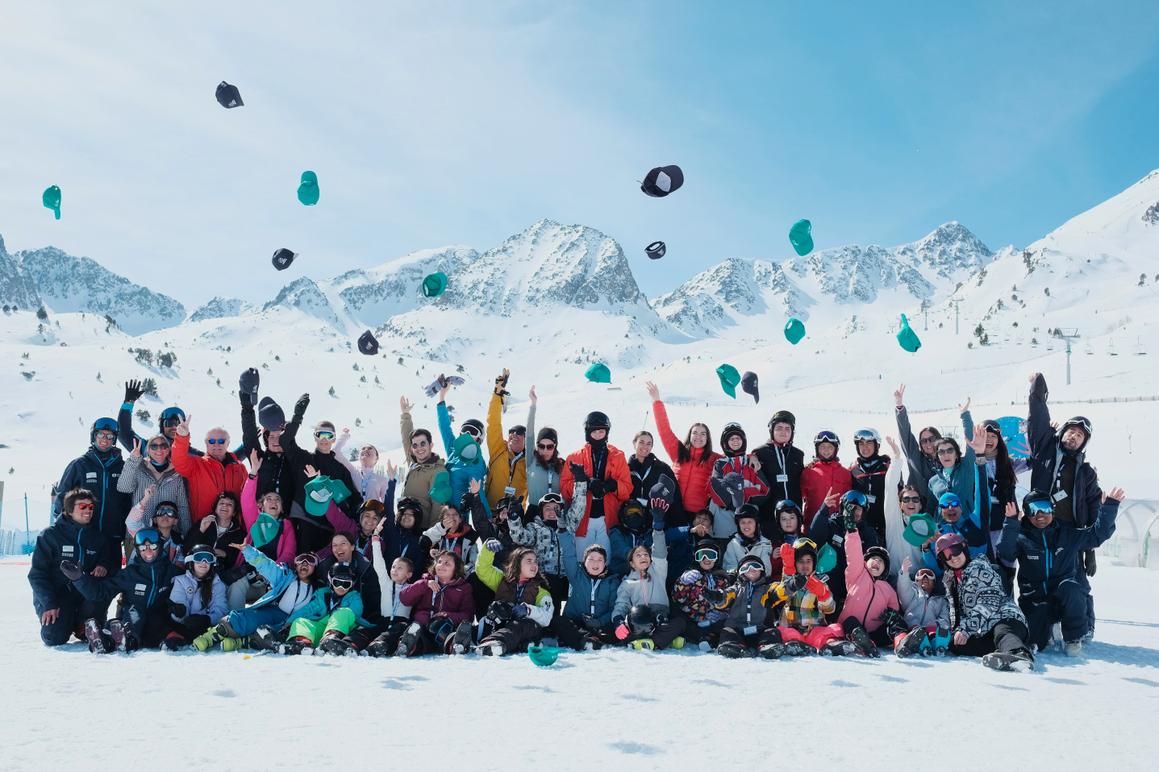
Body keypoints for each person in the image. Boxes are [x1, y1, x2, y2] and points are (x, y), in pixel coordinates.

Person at [998, 488, 1123, 656]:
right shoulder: (1021, 536)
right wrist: (1011, 522)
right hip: (1035, 600)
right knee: (1037, 643)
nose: (1040, 514)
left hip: (1063, 597)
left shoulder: (1066, 533)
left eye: (1045, 507)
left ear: (1053, 509)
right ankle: (1047, 632)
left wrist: (1109, 507)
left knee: (1072, 588)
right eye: (1033, 509)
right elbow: (1006, 553)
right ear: (1026, 513)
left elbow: (1096, 535)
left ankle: (1073, 638)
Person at [1027, 372, 1102, 639]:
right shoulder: (1045, 449)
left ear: (1084, 443)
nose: (1073, 437)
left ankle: (1084, 626)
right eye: (1071, 431)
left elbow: (1094, 507)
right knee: (1040, 577)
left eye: (1080, 435)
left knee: (1076, 579)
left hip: (1069, 529)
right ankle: (1046, 622)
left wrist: (1089, 547)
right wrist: (1037, 390)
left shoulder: (1086, 472)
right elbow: (1037, 419)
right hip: (1039, 523)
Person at [65, 528, 180, 653]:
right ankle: (103, 641)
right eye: (142, 548)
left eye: (152, 546)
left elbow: (191, 586)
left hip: (157, 625)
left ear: (159, 547)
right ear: (137, 550)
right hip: (131, 620)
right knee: (125, 618)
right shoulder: (130, 574)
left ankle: (125, 640)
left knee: (142, 618)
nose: (148, 551)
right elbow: (101, 592)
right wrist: (79, 579)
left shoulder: (172, 572)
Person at [28, 488, 119, 646]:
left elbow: (109, 563)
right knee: (54, 637)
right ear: (69, 510)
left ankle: (84, 624)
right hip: (57, 596)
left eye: (91, 507)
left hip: (85, 595)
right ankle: (66, 622)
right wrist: (49, 604)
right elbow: (37, 574)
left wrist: (103, 565)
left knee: (102, 588)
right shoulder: (50, 536)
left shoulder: (98, 538)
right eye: (82, 506)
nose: (88, 511)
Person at [192, 547, 322, 652]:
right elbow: (267, 565)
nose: (304, 564)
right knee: (251, 617)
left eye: (310, 560)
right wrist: (248, 550)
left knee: (275, 635)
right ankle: (212, 635)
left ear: (316, 566)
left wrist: (291, 621)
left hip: (295, 622)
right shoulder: (285, 577)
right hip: (276, 612)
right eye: (300, 560)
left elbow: (314, 608)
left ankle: (240, 643)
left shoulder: (319, 590)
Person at [937, 532, 1035, 671]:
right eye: (945, 556)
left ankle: (1020, 654)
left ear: (964, 548)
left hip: (1006, 618)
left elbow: (989, 602)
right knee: (956, 644)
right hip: (985, 627)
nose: (952, 558)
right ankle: (1010, 650)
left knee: (1002, 631)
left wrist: (966, 629)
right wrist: (957, 631)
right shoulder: (952, 579)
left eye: (955, 551)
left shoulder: (979, 568)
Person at [279, 394, 362, 553]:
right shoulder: (304, 458)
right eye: (320, 434)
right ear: (315, 437)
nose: (324, 439)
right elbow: (285, 441)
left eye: (328, 435)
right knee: (304, 567)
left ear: (334, 438)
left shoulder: (340, 469)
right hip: (305, 523)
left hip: (331, 529)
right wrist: (297, 417)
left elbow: (353, 499)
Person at [610, 501, 685, 650]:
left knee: (680, 622)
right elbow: (621, 604)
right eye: (638, 555)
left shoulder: (658, 571)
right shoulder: (627, 582)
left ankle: (651, 642)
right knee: (631, 623)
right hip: (639, 620)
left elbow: (659, 551)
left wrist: (658, 526)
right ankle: (664, 640)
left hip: (659, 617)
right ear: (631, 563)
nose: (643, 557)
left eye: (646, 554)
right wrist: (618, 621)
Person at [560, 411, 632, 560]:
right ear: (587, 433)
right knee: (582, 561)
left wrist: (612, 485)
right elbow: (565, 491)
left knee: (605, 562)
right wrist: (583, 482)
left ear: (607, 432)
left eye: (602, 431)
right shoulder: (574, 457)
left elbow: (627, 490)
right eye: (594, 432)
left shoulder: (618, 456)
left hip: (608, 521)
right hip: (582, 520)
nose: (598, 435)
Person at [763, 538, 849, 655]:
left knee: (830, 631)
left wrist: (823, 594)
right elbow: (784, 590)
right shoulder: (790, 581)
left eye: (808, 561)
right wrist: (788, 569)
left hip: (815, 628)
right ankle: (795, 645)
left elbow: (830, 609)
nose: (805, 565)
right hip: (792, 627)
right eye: (800, 561)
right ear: (795, 563)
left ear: (814, 563)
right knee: (783, 633)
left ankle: (830, 645)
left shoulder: (820, 582)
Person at [53, 418, 131, 543]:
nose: (105, 439)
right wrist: (61, 526)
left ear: (114, 439)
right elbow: (63, 497)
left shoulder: (123, 467)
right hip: (83, 535)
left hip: (112, 537)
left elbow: (128, 501)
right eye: (100, 434)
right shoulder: (79, 465)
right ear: (93, 436)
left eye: (110, 435)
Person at [645, 381, 718, 517]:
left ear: (708, 438)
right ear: (689, 435)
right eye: (695, 433)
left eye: (703, 434)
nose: (698, 437)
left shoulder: (714, 458)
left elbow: (735, 459)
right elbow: (664, 430)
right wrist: (657, 401)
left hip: (698, 515)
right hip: (673, 509)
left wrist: (754, 456)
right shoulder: (679, 451)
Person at [473, 541, 553, 655]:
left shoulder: (540, 591)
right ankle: (457, 641)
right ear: (517, 563)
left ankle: (494, 643)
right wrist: (487, 550)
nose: (534, 565)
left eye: (535, 561)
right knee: (493, 615)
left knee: (521, 624)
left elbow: (547, 617)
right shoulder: (502, 581)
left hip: (528, 628)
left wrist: (528, 611)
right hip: (504, 626)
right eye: (529, 561)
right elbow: (483, 570)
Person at [808, 489, 880, 611]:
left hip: (855, 583)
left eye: (858, 509)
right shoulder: (833, 524)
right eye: (850, 507)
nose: (854, 511)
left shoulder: (868, 533)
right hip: (831, 580)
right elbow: (814, 537)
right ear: (843, 508)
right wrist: (823, 511)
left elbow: (872, 557)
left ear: (863, 512)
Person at [170, 413, 247, 527]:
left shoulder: (240, 468)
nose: (216, 444)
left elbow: (246, 497)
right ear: (206, 443)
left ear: (228, 443)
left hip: (234, 529)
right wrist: (182, 437)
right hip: (203, 529)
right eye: (211, 441)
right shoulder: (197, 465)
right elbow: (179, 461)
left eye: (221, 441)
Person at [837, 523, 901, 657]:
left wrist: (892, 615)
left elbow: (894, 607)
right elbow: (853, 553)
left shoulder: (888, 589)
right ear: (865, 562)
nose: (877, 562)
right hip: (850, 629)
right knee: (851, 621)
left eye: (881, 561)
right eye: (874, 559)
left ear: (885, 569)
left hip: (874, 633)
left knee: (891, 629)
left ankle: (902, 643)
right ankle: (861, 641)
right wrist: (852, 531)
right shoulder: (857, 574)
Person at [508, 491, 571, 624]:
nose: (552, 512)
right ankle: (547, 626)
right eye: (547, 509)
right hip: (545, 577)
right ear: (541, 512)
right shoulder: (535, 528)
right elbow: (520, 537)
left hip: (566, 576)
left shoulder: (569, 527)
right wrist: (514, 517)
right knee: (551, 590)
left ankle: (566, 623)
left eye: (556, 508)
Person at [396, 551, 476, 656]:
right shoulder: (426, 581)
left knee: (450, 636)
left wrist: (448, 615)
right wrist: (424, 584)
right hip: (423, 627)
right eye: (439, 562)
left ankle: (456, 646)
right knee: (419, 638)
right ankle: (407, 646)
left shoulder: (463, 588)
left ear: (455, 568)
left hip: (445, 629)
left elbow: (468, 615)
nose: (441, 565)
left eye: (447, 563)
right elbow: (404, 598)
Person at [282, 564, 371, 655]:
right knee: (300, 621)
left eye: (346, 584)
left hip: (344, 629)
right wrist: (288, 623)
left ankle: (331, 638)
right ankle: (303, 643)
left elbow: (355, 612)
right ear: (331, 581)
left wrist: (335, 615)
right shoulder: (323, 594)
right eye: (337, 583)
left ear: (351, 585)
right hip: (322, 630)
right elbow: (308, 610)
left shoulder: (354, 597)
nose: (341, 588)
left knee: (344, 612)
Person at [361, 520, 416, 657]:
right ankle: (349, 643)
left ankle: (377, 646)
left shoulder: (412, 588)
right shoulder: (386, 583)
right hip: (383, 621)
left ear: (409, 574)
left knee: (397, 631)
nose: (394, 570)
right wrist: (375, 538)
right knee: (363, 630)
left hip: (400, 624)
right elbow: (379, 563)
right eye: (393, 567)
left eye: (400, 568)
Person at [434, 379, 489, 516]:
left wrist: (488, 518)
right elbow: (445, 428)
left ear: (479, 439)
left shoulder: (476, 463)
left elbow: (478, 493)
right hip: (443, 510)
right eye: (464, 430)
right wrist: (442, 397)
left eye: (473, 431)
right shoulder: (454, 450)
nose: (467, 434)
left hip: (458, 516)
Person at [117, 435, 192, 535]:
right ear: (148, 449)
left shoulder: (176, 473)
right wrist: (133, 460)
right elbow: (123, 488)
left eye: (163, 445)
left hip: (168, 535)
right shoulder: (139, 468)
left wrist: (187, 535)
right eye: (154, 446)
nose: (159, 450)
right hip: (139, 533)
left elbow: (182, 507)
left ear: (169, 448)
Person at [238, 370, 295, 501]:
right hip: (261, 518)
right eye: (272, 436)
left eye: (280, 436)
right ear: (266, 439)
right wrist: (247, 408)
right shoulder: (259, 459)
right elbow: (250, 436)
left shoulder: (294, 460)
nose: (276, 440)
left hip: (288, 520)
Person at [708, 555, 781, 658]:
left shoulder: (767, 590)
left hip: (760, 629)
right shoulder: (736, 590)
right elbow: (724, 598)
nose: (752, 570)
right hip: (738, 630)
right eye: (746, 567)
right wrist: (717, 597)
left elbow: (780, 590)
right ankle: (734, 647)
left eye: (756, 566)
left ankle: (767, 647)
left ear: (762, 571)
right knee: (727, 631)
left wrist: (792, 585)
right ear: (741, 572)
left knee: (772, 632)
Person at [709, 422, 769, 539]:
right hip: (724, 521)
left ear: (743, 441)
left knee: (748, 554)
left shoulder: (751, 462)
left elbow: (764, 491)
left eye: (738, 438)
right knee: (726, 554)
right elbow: (717, 491)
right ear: (725, 442)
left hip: (749, 520)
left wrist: (738, 494)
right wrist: (748, 491)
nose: (735, 441)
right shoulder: (720, 464)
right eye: (731, 438)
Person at [556, 544, 621, 650]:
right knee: (559, 622)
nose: (595, 563)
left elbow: (614, 609)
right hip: (577, 622)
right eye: (591, 559)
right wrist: (563, 532)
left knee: (614, 630)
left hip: (600, 625)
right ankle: (587, 640)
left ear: (605, 563)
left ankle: (585, 640)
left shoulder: (612, 581)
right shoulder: (576, 575)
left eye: (600, 559)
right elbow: (568, 556)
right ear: (584, 562)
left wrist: (599, 622)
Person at [161, 546, 228, 650]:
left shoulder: (218, 585)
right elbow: (179, 602)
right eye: (199, 558)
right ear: (191, 561)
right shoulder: (180, 581)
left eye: (208, 558)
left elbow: (221, 610)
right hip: (183, 626)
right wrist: (180, 612)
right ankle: (174, 639)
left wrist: (207, 619)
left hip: (205, 628)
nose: (204, 562)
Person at [752, 410, 805, 539]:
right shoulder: (760, 452)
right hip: (768, 516)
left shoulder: (798, 455)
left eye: (788, 429)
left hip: (792, 518)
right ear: (772, 430)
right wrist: (751, 457)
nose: (783, 432)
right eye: (779, 428)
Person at [670, 540, 730, 649]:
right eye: (701, 555)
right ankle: (699, 638)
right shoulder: (692, 575)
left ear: (717, 558)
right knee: (682, 623)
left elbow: (728, 599)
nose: (706, 559)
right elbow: (678, 599)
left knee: (726, 625)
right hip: (694, 620)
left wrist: (723, 612)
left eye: (711, 555)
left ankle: (715, 640)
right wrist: (682, 583)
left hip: (714, 621)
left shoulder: (723, 579)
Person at [399, 395, 448, 528]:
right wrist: (406, 415)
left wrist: (431, 536)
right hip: (404, 525)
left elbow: (439, 506)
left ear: (431, 445)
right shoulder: (415, 464)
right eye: (415, 445)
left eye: (423, 443)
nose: (419, 448)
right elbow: (406, 439)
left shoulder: (438, 471)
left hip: (421, 530)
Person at [119, 379, 200, 457]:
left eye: (178, 424)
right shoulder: (147, 448)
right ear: (162, 426)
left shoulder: (194, 455)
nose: (174, 427)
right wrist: (128, 404)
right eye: (169, 423)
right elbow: (123, 433)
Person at [317, 531, 381, 629]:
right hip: (327, 617)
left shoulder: (365, 569)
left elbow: (373, 600)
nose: (338, 548)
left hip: (356, 620)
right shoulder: (325, 567)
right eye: (335, 545)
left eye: (343, 544)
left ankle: (333, 638)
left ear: (352, 547)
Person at [484, 369, 528, 508]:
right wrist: (497, 396)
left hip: (516, 515)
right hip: (491, 510)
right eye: (511, 431)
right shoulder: (498, 448)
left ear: (526, 439)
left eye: (519, 432)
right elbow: (493, 423)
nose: (514, 434)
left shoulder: (530, 461)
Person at [891, 557, 952, 657]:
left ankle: (937, 646)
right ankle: (905, 645)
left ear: (934, 584)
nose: (924, 578)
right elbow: (903, 588)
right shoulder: (912, 595)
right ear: (916, 582)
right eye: (921, 576)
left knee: (941, 631)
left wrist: (936, 624)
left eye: (929, 576)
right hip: (912, 629)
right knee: (909, 631)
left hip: (931, 629)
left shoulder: (940, 600)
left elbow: (945, 618)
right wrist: (904, 573)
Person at [892, 383, 942, 502]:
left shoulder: (947, 458)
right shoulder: (916, 459)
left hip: (944, 508)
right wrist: (900, 408)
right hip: (919, 507)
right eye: (924, 441)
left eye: (931, 439)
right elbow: (906, 434)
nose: (928, 443)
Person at [627, 428, 683, 526]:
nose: (645, 446)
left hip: (656, 522)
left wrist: (678, 522)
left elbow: (675, 495)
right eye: (641, 442)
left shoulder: (662, 468)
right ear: (634, 443)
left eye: (649, 443)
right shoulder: (626, 469)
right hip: (631, 521)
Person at [183, 490, 246, 571]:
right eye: (221, 503)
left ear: (234, 512)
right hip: (196, 570)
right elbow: (186, 549)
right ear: (215, 509)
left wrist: (225, 554)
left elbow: (239, 561)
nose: (225, 506)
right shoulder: (203, 523)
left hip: (221, 575)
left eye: (229, 504)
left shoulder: (239, 533)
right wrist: (201, 530)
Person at [848, 428, 891, 543]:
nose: (864, 447)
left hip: (885, 524)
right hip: (862, 525)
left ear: (877, 445)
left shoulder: (886, 466)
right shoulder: (854, 469)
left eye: (869, 443)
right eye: (861, 443)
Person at [525, 386, 563, 507]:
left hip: (554, 514)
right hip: (533, 513)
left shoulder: (561, 465)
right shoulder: (531, 460)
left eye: (550, 446)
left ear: (555, 446)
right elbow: (529, 435)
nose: (545, 450)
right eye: (541, 446)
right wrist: (533, 405)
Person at [800, 429, 852, 518]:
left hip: (837, 525)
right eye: (822, 446)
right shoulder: (808, 471)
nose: (826, 450)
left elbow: (849, 500)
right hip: (812, 524)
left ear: (836, 449)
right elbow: (799, 497)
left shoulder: (845, 473)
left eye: (830, 447)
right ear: (817, 449)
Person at [335, 429, 394, 503]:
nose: (366, 450)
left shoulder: (382, 479)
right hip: (353, 513)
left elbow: (386, 503)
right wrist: (344, 436)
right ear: (358, 457)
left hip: (372, 513)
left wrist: (392, 480)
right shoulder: (352, 471)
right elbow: (335, 452)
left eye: (370, 449)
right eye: (363, 449)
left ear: (376, 458)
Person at [420, 503, 479, 573]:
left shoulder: (470, 536)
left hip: (459, 576)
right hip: (438, 574)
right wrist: (431, 553)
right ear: (442, 519)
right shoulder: (437, 533)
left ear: (460, 519)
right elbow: (423, 543)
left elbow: (474, 562)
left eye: (455, 514)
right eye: (447, 515)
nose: (451, 517)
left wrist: (461, 572)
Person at [722, 504, 773, 575]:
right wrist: (742, 577)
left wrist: (755, 577)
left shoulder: (765, 543)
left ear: (756, 524)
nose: (746, 525)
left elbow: (767, 569)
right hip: (739, 582)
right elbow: (729, 567)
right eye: (743, 522)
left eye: (750, 522)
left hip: (760, 583)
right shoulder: (733, 544)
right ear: (738, 525)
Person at [380, 497, 424, 567]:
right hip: (384, 576)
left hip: (408, 577)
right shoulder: (391, 531)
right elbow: (388, 505)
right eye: (404, 514)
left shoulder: (421, 540)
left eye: (411, 514)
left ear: (416, 518)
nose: (406, 517)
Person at [767, 499, 804, 577]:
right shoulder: (776, 544)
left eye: (792, 517)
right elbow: (771, 573)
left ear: (798, 519)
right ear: (779, 522)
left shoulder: (806, 541)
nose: (788, 522)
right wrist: (774, 559)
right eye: (784, 519)